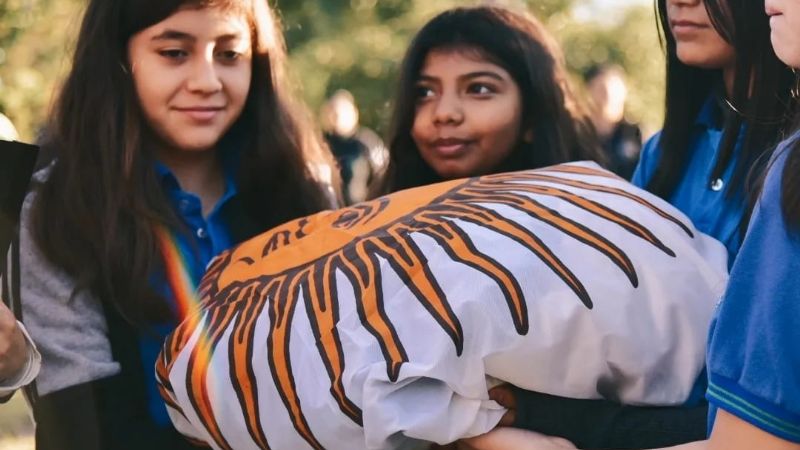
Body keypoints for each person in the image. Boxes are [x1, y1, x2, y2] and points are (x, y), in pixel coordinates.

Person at [461, 1, 800, 447]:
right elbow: (625, 352)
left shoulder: (786, 168)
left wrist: (553, 424)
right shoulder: (666, 154)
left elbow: (753, 426)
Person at [17, 0, 336, 449]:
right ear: (116, 59)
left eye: (229, 54)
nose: (206, 81)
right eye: (173, 53)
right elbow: (81, 421)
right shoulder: (55, 209)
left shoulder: (302, 193)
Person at [371, 6, 603, 197]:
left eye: (478, 89)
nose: (444, 113)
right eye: (425, 93)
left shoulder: (593, 228)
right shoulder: (372, 236)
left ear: (533, 112)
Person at [321, 89, 387, 205]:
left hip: (362, 210)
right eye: (333, 113)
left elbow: (384, 175)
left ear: (354, 113)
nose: (337, 117)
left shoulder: (367, 142)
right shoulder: (322, 144)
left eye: (341, 112)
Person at [583, 64, 642, 179]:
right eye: (601, 90)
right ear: (589, 91)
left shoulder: (637, 134)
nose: (608, 96)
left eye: (614, 90)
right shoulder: (578, 135)